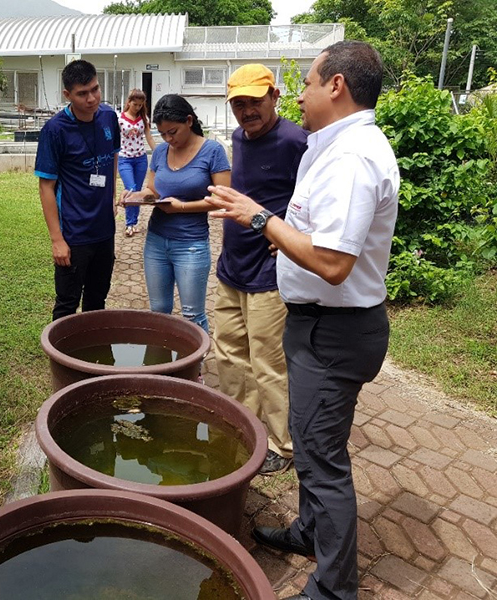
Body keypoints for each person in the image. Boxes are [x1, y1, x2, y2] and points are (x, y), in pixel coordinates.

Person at [206, 41, 399, 600]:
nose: (303, 93)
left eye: (310, 82)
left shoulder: (352, 155)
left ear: (336, 85)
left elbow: (335, 263)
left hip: (333, 330)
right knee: (317, 451)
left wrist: (260, 218)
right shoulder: (334, 145)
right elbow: (322, 241)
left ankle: (335, 588)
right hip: (320, 324)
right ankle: (310, 532)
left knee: (321, 461)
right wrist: (286, 243)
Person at [215, 64, 308, 475]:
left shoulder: (295, 140)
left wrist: (288, 231)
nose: (247, 111)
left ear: (275, 96)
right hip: (232, 264)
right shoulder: (238, 137)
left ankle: (282, 445)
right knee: (229, 352)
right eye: (239, 103)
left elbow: (314, 199)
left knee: (269, 362)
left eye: (255, 101)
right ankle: (244, 425)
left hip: (270, 272)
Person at [122, 94, 230, 334]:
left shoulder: (212, 151)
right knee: (159, 311)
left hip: (191, 244)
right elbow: (151, 190)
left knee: (192, 314)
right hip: (156, 242)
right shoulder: (161, 152)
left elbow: (222, 199)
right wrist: (134, 197)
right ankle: (161, 364)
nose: (169, 139)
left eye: (173, 132)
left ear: (189, 121)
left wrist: (180, 207)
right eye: (163, 134)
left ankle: (194, 369)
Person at [35, 59, 121, 320]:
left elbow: (113, 156)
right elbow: (46, 186)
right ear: (67, 95)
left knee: (97, 300)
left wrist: (113, 196)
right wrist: (57, 240)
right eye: (82, 93)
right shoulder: (55, 130)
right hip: (73, 234)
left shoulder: (109, 117)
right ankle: (62, 360)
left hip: (104, 230)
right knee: (67, 304)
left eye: (95, 89)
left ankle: (91, 357)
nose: (92, 98)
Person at [117, 88, 156, 237]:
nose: (138, 107)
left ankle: (133, 222)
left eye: (140, 105)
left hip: (140, 158)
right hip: (124, 158)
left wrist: (159, 153)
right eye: (135, 104)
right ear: (129, 102)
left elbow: (149, 137)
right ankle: (129, 224)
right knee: (131, 188)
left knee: (138, 191)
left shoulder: (143, 118)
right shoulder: (119, 119)